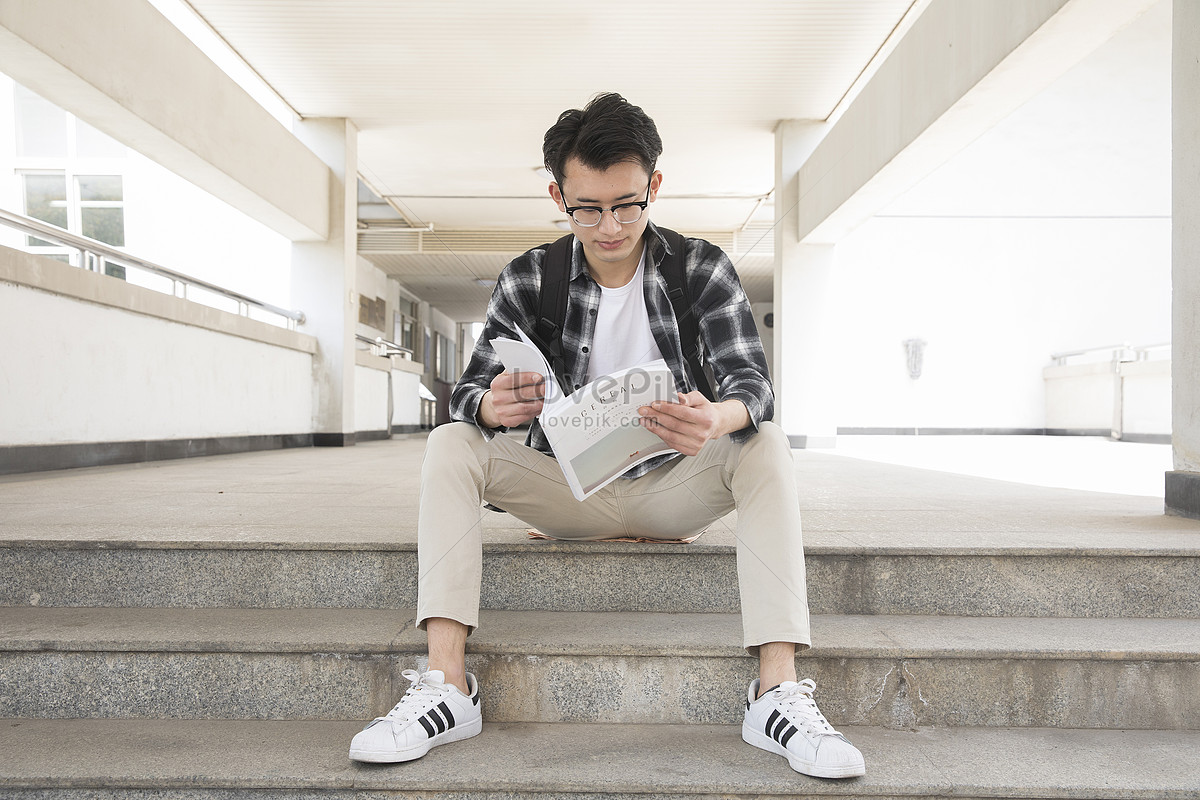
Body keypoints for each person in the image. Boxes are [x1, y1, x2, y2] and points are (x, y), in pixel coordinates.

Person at [348, 92, 865, 780]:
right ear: (559, 196)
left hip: (672, 487)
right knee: (450, 441)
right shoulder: (533, 276)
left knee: (764, 443)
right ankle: (448, 687)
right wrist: (492, 404)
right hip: (567, 492)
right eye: (587, 208)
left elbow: (754, 385)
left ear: (654, 185)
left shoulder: (698, 267)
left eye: (627, 203)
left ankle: (775, 692)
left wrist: (717, 417)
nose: (610, 225)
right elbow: (470, 389)